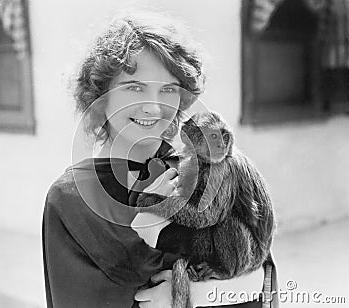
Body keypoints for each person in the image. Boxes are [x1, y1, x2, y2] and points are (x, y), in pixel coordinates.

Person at [42, 10, 279, 308]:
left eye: (168, 89)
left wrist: (196, 294)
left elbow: (260, 265)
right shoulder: (71, 199)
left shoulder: (204, 172)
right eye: (134, 87)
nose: (153, 108)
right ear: (100, 98)